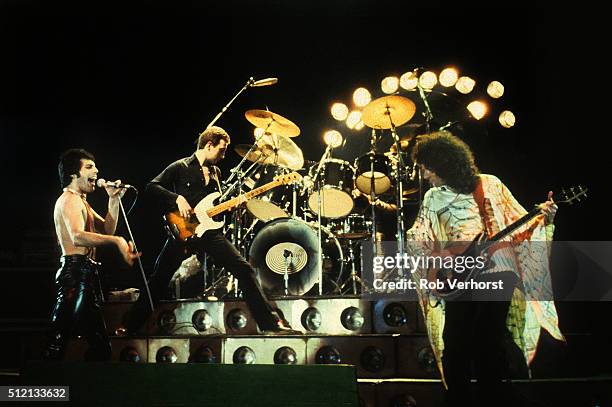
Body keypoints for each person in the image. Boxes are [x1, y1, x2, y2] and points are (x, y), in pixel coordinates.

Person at [405, 132, 564, 406]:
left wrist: (543, 217)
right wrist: (440, 258)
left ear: (443, 163)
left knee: (487, 339)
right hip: (459, 274)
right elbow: (419, 237)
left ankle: (496, 397)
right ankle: (458, 399)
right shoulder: (432, 198)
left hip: (497, 270)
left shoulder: (490, 185)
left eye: (425, 167)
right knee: (454, 342)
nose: (423, 175)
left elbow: (519, 221)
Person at [120, 126, 297, 334]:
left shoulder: (216, 172)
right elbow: (151, 187)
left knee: (245, 270)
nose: (223, 156)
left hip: (209, 233)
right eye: (221, 150)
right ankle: (130, 327)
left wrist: (236, 204)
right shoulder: (181, 166)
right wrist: (177, 198)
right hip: (182, 232)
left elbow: (214, 207)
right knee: (159, 280)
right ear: (209, 145)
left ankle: (270, 324)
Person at [43, 148, 139, 361]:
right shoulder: (68, 200)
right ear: (73, 175)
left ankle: (88, 389)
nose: (96, 171)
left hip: (85, 275)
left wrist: (113, 200)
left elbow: (107, 229)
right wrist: (117, 242)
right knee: (58, 339)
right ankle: (41, 389)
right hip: (74, 274)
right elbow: (77, 237)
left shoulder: (81, 201)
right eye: (89, 167)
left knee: (100, 346)